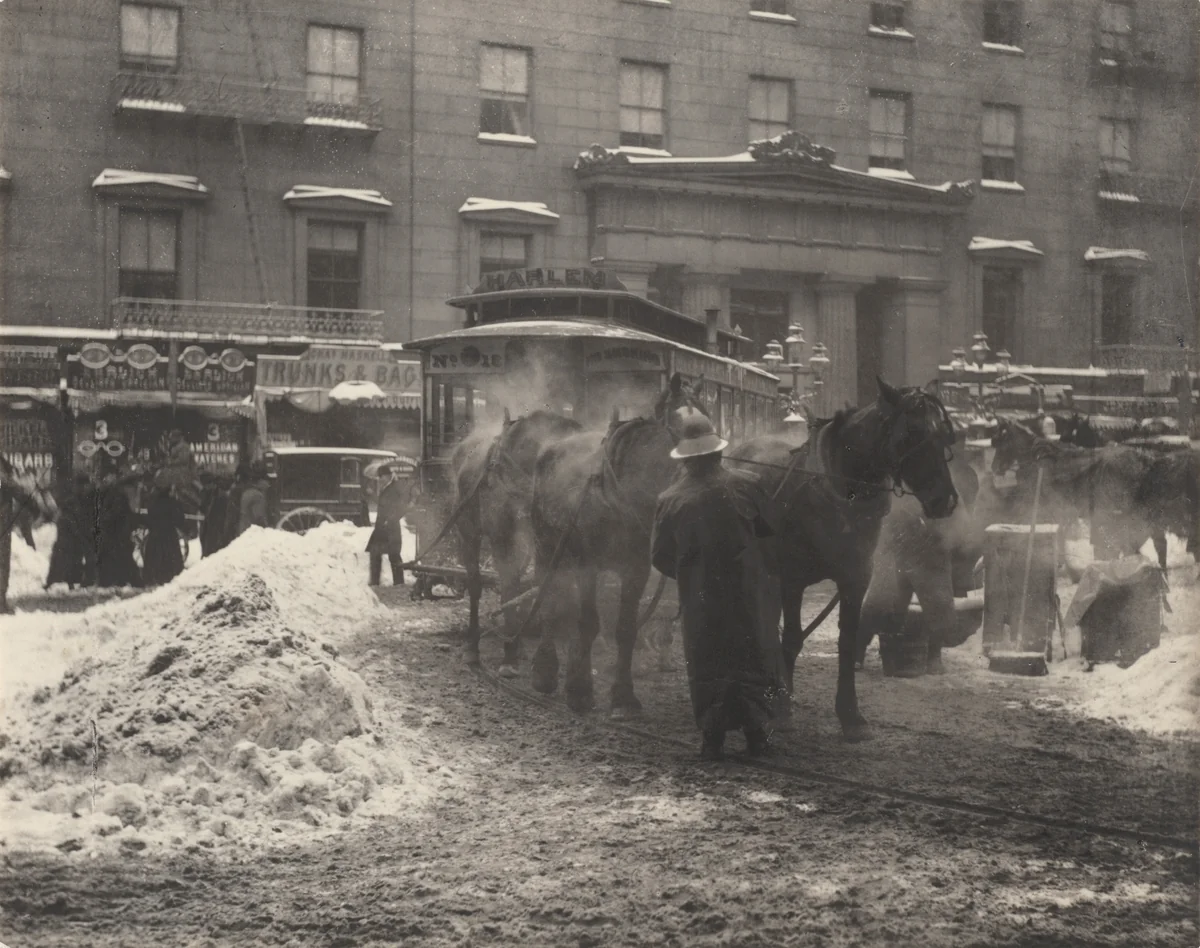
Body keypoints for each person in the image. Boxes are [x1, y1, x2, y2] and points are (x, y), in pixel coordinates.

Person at [650, 409, 784, 761]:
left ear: (687, 460)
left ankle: (712, 739)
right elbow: (770, 529)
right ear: (718, 452)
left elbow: (660, 556)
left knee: (706, 659)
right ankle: (758, 736)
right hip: (748, 592)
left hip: (700, 596)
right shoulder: (749, 484)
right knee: (753, 655)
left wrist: (693, 573)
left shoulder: (669, 499)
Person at [45, 472, 95, 590]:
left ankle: (80, 580)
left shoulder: (85, 500)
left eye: (84, 485)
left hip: (79, 533)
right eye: (81, 485)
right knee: (66, 557)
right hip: (70, 534)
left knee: (76, 558)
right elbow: (65, 518)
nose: (83, 488)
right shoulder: (72, 501)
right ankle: (58, 580)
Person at [95, 469, 141, 588]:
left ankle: (126, 581)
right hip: (114, 530)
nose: (106, 480)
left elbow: (116, 512)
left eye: (109, 477)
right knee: (118, 556)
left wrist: (104, 519)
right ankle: (116, 581)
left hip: (117, 530)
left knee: (120, 555)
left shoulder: (116, 493)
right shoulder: (110, 492)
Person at [366, 464, 410, 586]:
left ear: (387, 476)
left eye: (381, 477)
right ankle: (375, 581)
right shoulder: (386, 487)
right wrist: (373, 495)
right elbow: (383, 504)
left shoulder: (395, 488)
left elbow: (402, 507)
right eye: (379, 477)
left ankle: (399, 582)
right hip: (381, 527)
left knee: (394, 555)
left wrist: (391, 519)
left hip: (391, 527)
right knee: (375, 552)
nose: (379, 479)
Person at [141, 476, 187, 586]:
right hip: (169, 536)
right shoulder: (173, 503)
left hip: (155, 537)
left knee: (154, 562)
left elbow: (148, 519)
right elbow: (180, 520)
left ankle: (153, 581)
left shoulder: (152, 502)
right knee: (170, 565)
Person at [237, 462, 271, 536]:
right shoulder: (258, 496)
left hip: (243, 531)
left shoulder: (247, 492)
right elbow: (259, 518)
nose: (268, 485)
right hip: (253, 534)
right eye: (267, 482)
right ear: (261, 481)